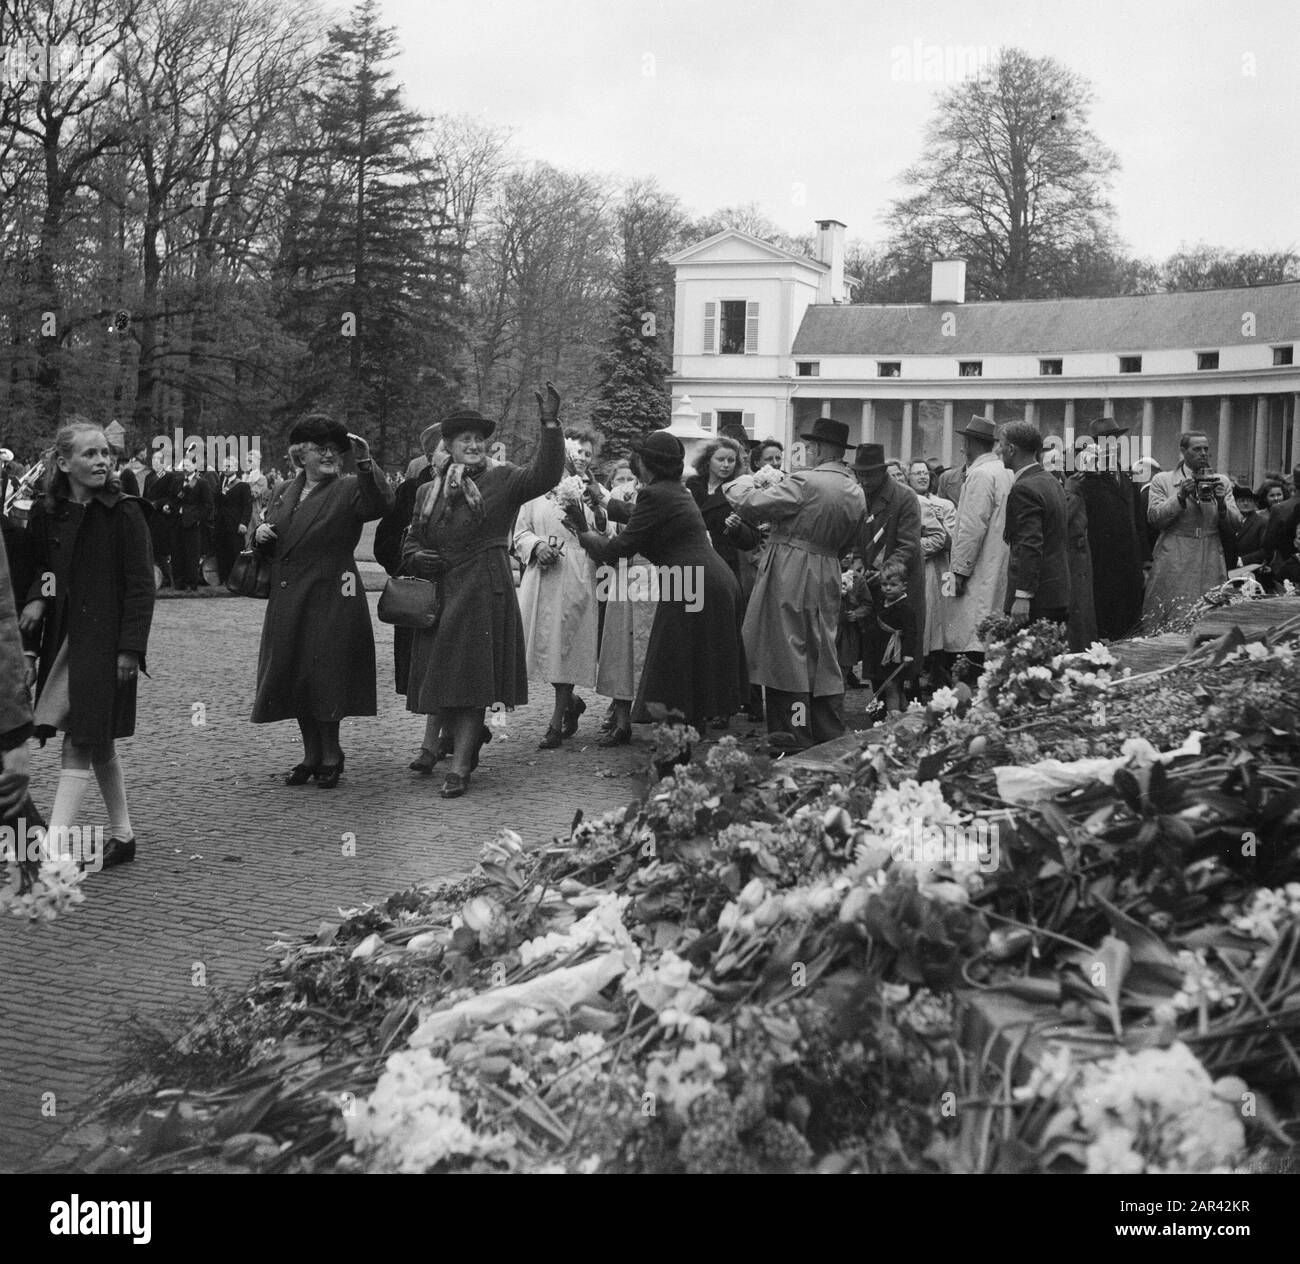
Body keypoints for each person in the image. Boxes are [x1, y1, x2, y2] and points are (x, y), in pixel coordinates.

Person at [402, 393, 566, 797]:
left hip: (482, 588)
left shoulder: (504, 479)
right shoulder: (429, 491)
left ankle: (459, 767)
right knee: (444, 677)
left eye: (479, 439)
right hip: (442, 591)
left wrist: (550, 425)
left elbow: (545, 475)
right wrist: (416, 557)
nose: (473, 446)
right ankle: (460, 747)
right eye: (464, 441)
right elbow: (411, 540)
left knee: (473, 679)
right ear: (448, 446)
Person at [20, 420, 154, 870]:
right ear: (63, 463)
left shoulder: (125, 511)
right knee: (98, 743)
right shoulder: (48, 511)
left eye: (105, 454)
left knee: (81, 737)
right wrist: (39, 597)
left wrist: (130, 648)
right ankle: (123, 837)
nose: (101, 461)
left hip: (104, 643)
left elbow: (141, 587)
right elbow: (42, 568)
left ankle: (51, 852)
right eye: (90, 454)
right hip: (62, 640)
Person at [567, 430, 743, 737]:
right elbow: (637, 514)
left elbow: (616, 549)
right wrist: (603, 498)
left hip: (692, 582)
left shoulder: (656, 494)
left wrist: (582, 531)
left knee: (674, 661)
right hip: (708, 580)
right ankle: (686, 734)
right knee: (692, 661)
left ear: (647, 464)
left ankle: (678, 743)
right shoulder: (673, 490)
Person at [250, 415, 392, 788]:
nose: (330, 454)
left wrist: (365, 462)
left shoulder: (349, 488)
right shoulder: (283, 490)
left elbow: (381, 502)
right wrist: (260, 535)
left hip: (334, 594)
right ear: (301, 454)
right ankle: (310, 754)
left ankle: (332, 753)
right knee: (296, 675)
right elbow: (273, 533)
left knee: (326, 675)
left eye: (335, 448)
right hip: (289, 597)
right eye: (320, 448)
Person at [733, 417, 866, 749]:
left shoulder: (806, 481)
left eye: (810, 446)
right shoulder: (855, 489)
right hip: (829, 568)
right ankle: (827, 729)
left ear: (819, 448)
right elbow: (852, 541)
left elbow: (750, 505)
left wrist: (742, 484)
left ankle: (792, 734)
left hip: (791, 567)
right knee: (822, 650)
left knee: (786, 649)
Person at [514, 428, 603, 749]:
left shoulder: (596, 494)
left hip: (576, 570)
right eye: (576, 451)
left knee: (565, 643)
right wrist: (536, 546)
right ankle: (571, 703)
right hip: (542, 572)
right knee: (538, 642)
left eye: (588, 454)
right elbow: (520, 532)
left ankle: (555, 720)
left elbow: (605, 533)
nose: (581, 458)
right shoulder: (536, 491)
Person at [1142, 432, 1241, 632]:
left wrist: (1222, 503)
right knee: (1173, 611)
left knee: (1210, 612)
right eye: (1197, 449)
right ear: (1183, 452)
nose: (1203, 453)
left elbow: (1237, 523)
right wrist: (1180, 496)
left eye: (1206, 449)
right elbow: (1155, 518)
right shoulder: (1163, 480)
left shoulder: (1221, 481)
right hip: (1175, 554)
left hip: (1210, 554)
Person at [590, 466, 657, 745]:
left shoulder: (667, 494)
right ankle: (621, 721)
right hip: (621, 573)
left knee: (653, 647)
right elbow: (605, 529)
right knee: (620, 647)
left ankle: (661, 721)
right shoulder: (618, 493)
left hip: (655, 573)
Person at [853, 443, 928, 678]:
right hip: (873, 582)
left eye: (870, 474)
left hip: (901, 584)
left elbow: (908, 544)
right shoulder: (858, 496)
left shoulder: (905, 497)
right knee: (875, 644)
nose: (864, 480)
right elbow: (855, 536)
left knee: (904, 643)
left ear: (883, 470)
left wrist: (885, 571)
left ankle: (907, 703)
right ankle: (881, 704)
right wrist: (856, 561)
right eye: (860, 474)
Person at [1068, 417, 1145, 641]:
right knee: (1104, 620)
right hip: (1101, 559)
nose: (1115, 445)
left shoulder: (1128, 475)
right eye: (1108, 441)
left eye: (1117, 440)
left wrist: (1144, 560)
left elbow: (1137, 519)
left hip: (1129, 560)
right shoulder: (1087, 476)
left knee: (1129, 621)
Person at [945, 417, 1013, 666]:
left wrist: (959, 571)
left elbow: (971, 527)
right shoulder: (1005, 471)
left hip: (982, 563)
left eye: (964, 443)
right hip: (1000, 559)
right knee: (992, 625)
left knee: (975, 630)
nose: (963, 449)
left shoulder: (980, 475)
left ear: (970, 443)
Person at [998, 422, 1070, 628]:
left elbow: (1029, 544)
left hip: (1035, 601)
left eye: (1001, 445)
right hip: (1056, 594)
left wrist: (1022, 595)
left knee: (1023, 659)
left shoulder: (1024, 488)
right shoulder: (1050, 481)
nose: (998, 450)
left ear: (1011, 449)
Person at [686, 437, 761, 587]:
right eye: (720, 459)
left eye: (731, 460)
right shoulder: (692, 485)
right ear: (708, 460)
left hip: (724, 564)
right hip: (692, 561)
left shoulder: (740, 489)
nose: (726, 465)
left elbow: (752, 538)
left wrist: (737, 528)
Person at [906, 458, 955, 680]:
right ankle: (917, 673)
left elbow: (953, 539)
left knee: (944, 619)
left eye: (925, 473)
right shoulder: (907, 502)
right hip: (919, 570)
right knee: (922, 620)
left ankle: (940, 675)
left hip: (943, 569)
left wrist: (938, 520)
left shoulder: (944, 505)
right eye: (917, 473)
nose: (923, 476)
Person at [862, 561, 917, 713]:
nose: (887, 588)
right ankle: (904, 714)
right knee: (893, 687)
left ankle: (893, 719)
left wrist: (908, 654)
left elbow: (911, 633)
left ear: (903, 586)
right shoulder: (882, 602)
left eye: (893, 585)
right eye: (884, 584)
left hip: (896, 655)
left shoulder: (905, 608)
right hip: (882, 654)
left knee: (892, 687)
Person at [174, 460, 214, 590]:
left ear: (195, 466)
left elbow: (208, 505)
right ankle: (180, 582)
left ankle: (192, 582)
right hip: (179, 521)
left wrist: (197, 518)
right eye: (184, 465)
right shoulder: (179, 481)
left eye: (188, 465)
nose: (185, 468)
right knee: (178, 552)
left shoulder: (201, 483)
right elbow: (176, 498)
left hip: (192, 522)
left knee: (192, 553)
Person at [143, 449, 180, 587]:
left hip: (162, 518)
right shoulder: (149, 477)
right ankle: (158, 578)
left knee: (162, 550)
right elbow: (145, 495)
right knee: (152, 549)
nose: (154, 462)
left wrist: (158, 504)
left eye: (157, 459)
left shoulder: (169, 476)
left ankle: (169, 579)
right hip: (150, 517)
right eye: (152, 459)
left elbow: (171, 496)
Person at [213, 457, 253, 584]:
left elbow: (247, 506)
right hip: (221, 524)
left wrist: (244, 523)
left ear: (235, 467)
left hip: (235, 524)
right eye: (224, 465)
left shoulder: (243, 485)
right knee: (222, 552)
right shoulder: (220, 484)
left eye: (229, 465)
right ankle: (224, 579)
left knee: (235, 553)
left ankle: (237, 582)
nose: (226, 468)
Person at [937, 416, 988, 507]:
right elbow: (940, 511)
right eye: (964, 442)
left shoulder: (996, 477)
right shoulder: (947, 478)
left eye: (966, 443)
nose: (963, 447)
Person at [836, 554, 869, 688]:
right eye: (845, 551)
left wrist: (856, 613)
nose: (847, 556)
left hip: (847, 634)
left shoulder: (858, 579)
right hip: (829, 631)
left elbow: (867, 604)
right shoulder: (825, 573)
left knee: (843, 670)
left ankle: (838, 705)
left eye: (850, 553)